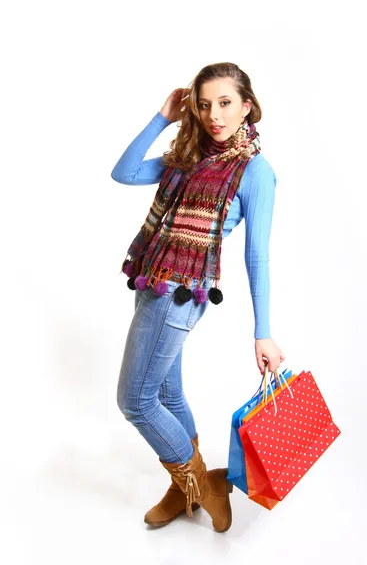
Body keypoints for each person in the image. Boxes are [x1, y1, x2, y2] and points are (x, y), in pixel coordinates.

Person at [111, 62, 286, 533]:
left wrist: (263, 333)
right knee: (166, 392)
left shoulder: (255, 172)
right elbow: (123, 173)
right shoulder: (187, 154)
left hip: (180, 296)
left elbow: (258, 257)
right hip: (152, 280)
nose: (214, 115)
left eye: (226, 103)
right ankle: (185, 485)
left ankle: (203, 485)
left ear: (247, 105)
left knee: (135, 400)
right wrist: (162, 118)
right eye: (204, 104)